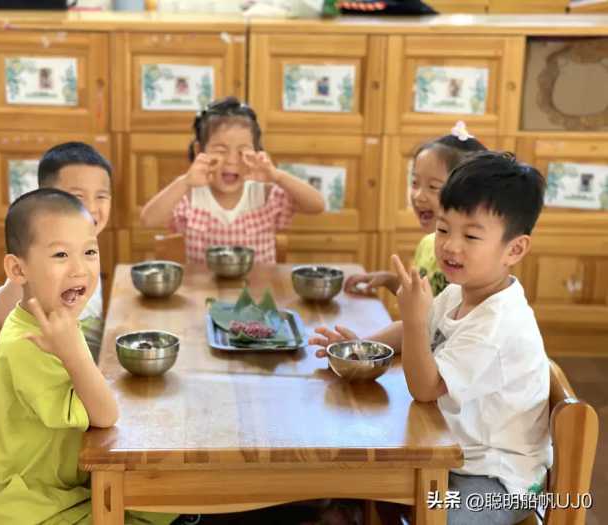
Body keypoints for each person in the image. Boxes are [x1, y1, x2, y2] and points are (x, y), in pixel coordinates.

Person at [311, 152, 551, 525]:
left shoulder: (497, 324)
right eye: (443, 229)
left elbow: (426, 386)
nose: (450, 246)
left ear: (514, 249)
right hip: (449, 451)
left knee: (430, 517)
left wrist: (411, 316)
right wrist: (357, 348)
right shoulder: (461, 291)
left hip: (497, 481)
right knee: (353, 477)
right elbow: (417, 332)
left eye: (470, 235)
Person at [0, 188, 178, 525]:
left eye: (90, 251)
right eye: (61, 255)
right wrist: (75, 353)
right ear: (18, 270)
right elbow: (104, 415)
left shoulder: (56, 319)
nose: (80, 269)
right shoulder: (28, 342)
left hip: (59, 485)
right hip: (29, 507)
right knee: (163, 504)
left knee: (167, 496)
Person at [139, 96, 325, 263]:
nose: (231, 160)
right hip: (204, 295)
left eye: (242, 151)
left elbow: (317, 205)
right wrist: (185, 181)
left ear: (256, 153)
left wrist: (277, 176)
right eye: (220, 150)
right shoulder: (189, 195)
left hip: (256, 296)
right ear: (199, 151)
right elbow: (148, 220)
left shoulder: (265, 193)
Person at [0, 142, 112, 360]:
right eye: (78, 196)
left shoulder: (88, 244)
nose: (92, 207)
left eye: (101, 196)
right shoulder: (40, 252)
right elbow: (1, 314)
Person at [345, 123, 486, 298]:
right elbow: (424, 299)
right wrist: (388, 280)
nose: (419, 196)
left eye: (433, 186)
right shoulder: (427, 244)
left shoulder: (472, 260)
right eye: (414, 183)